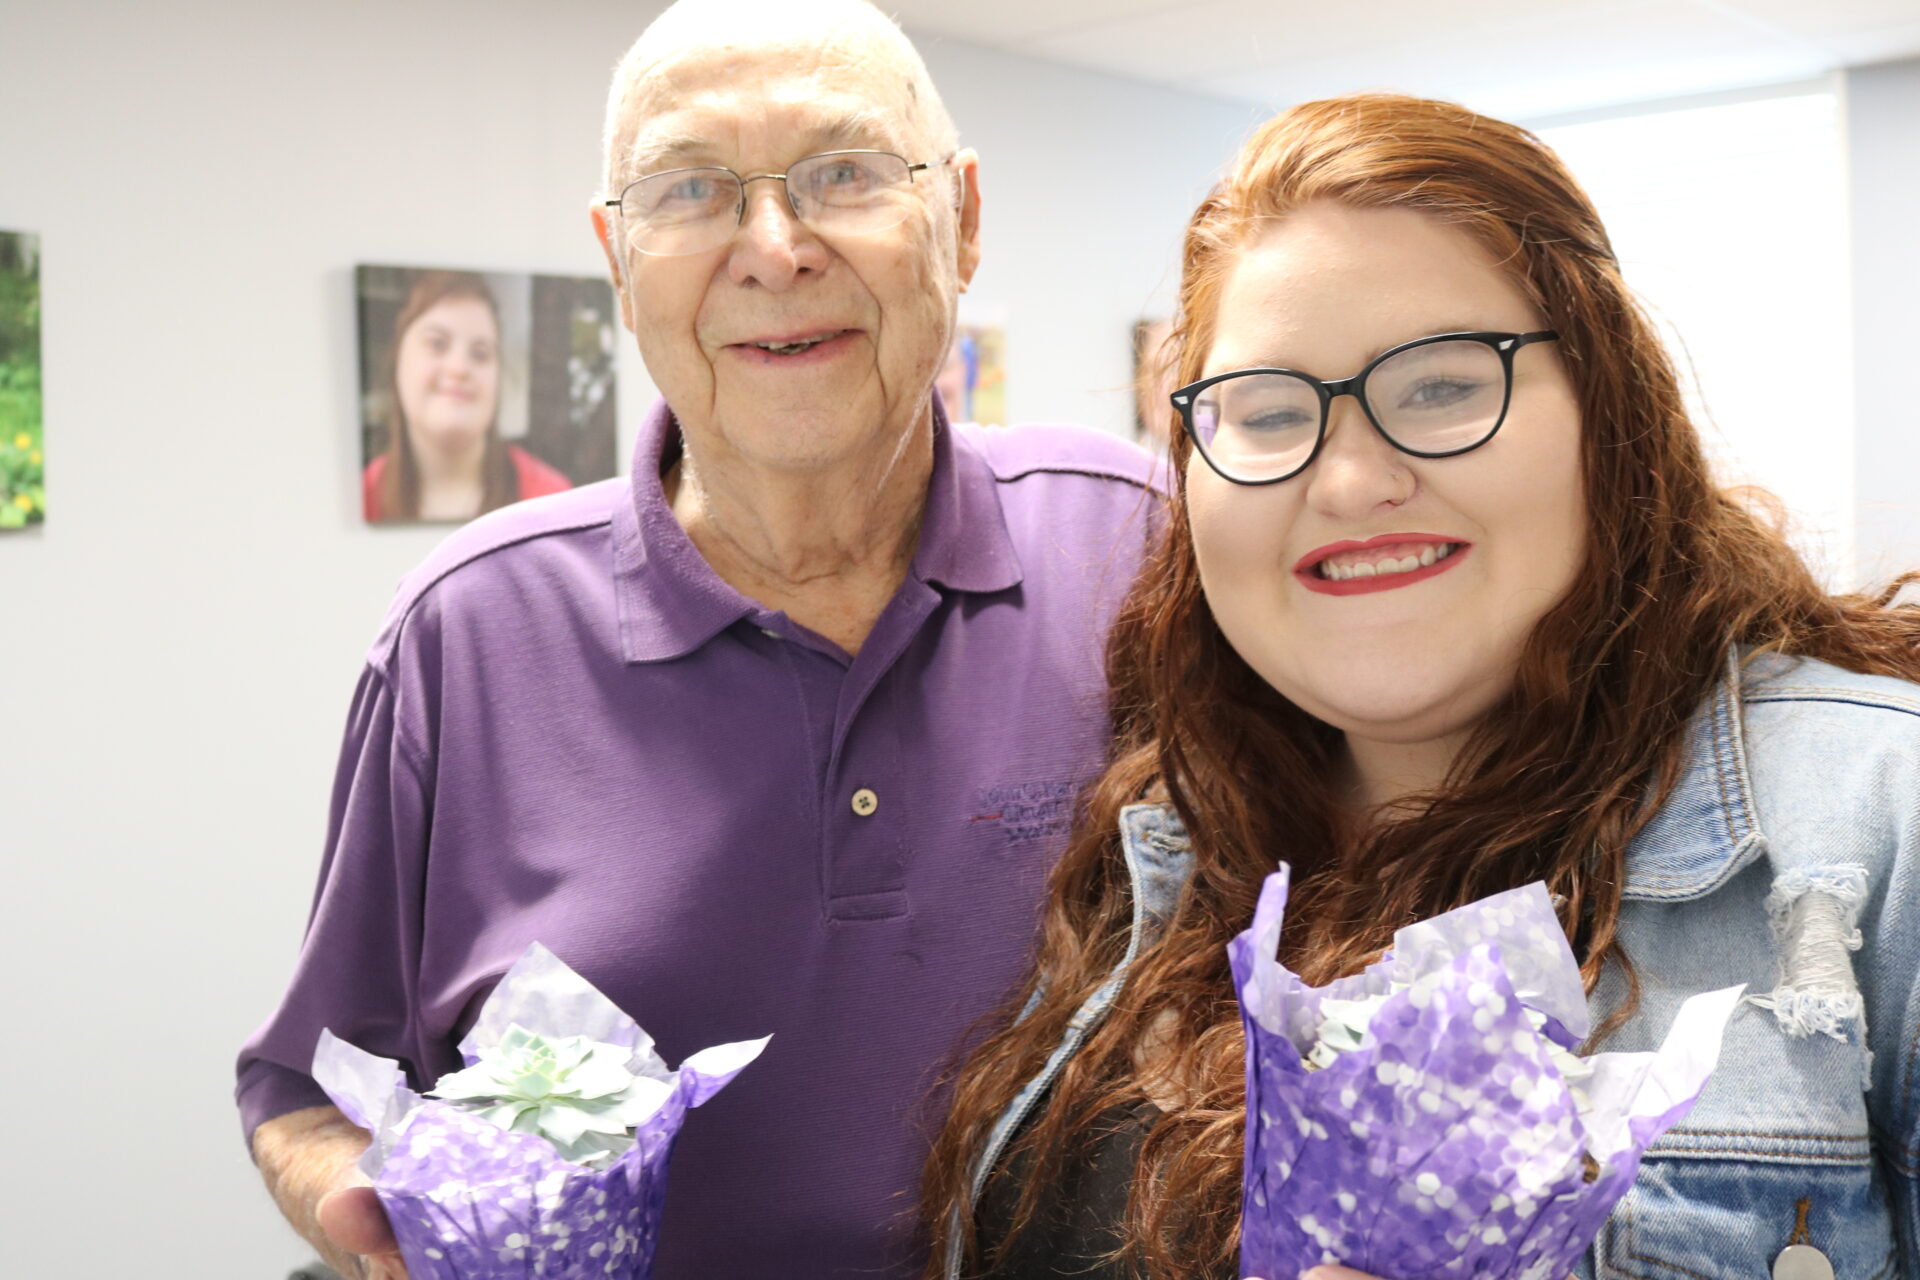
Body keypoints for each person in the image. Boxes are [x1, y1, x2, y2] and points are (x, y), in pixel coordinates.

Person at [920, 93, 1920, 1280]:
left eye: (1443, 386)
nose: (1348, 480)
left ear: (1611, 412)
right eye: (1270, 410)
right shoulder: (1164, 841)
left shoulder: (1875, 823)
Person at [239, 3, 1160, 1278]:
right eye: (691, 190)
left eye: (844, 173)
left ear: (963, 219)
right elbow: (309, 1086)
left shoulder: (1138, 548)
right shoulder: (467, 632)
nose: (774, 249)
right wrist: (374, 1217)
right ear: (620, 259)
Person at [361, 270, 573, 523]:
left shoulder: (553, 500)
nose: (459, 368)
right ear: (398, 359)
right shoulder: (364, 494)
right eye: (437, 344)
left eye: (480, 353)